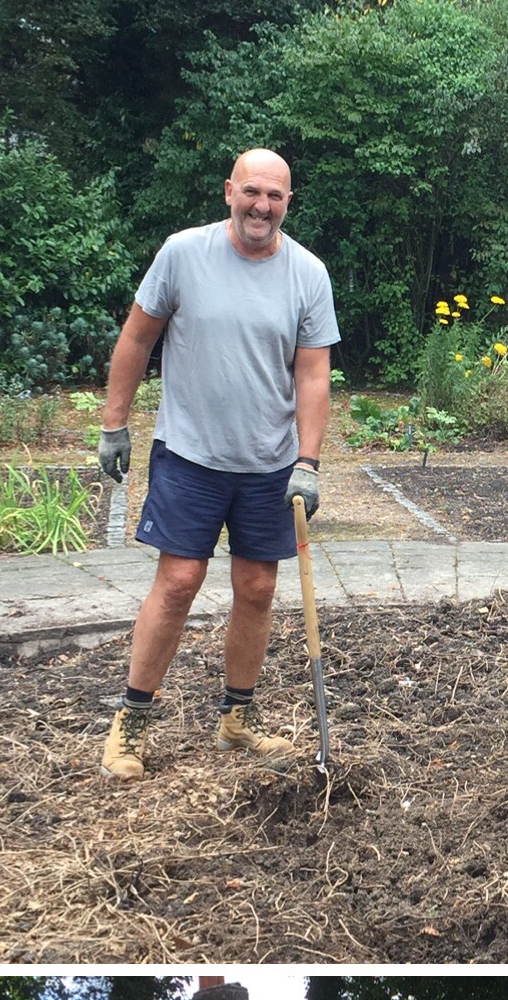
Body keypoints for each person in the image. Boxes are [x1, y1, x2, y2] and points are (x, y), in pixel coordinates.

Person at [95, 148, 339, 779]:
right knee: (178, 583)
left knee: (257, 588)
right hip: (190, 453)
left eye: (275, 197)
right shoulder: (183, 254)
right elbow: (137, 337)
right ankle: (131, 721)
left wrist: (308, 462)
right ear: (229, 190)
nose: (262, 206)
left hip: (269, 463)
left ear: (289, 203)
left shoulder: (308, 274)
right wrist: (114, 424)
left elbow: (313, 374)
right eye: (252, 192)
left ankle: (237, 720)